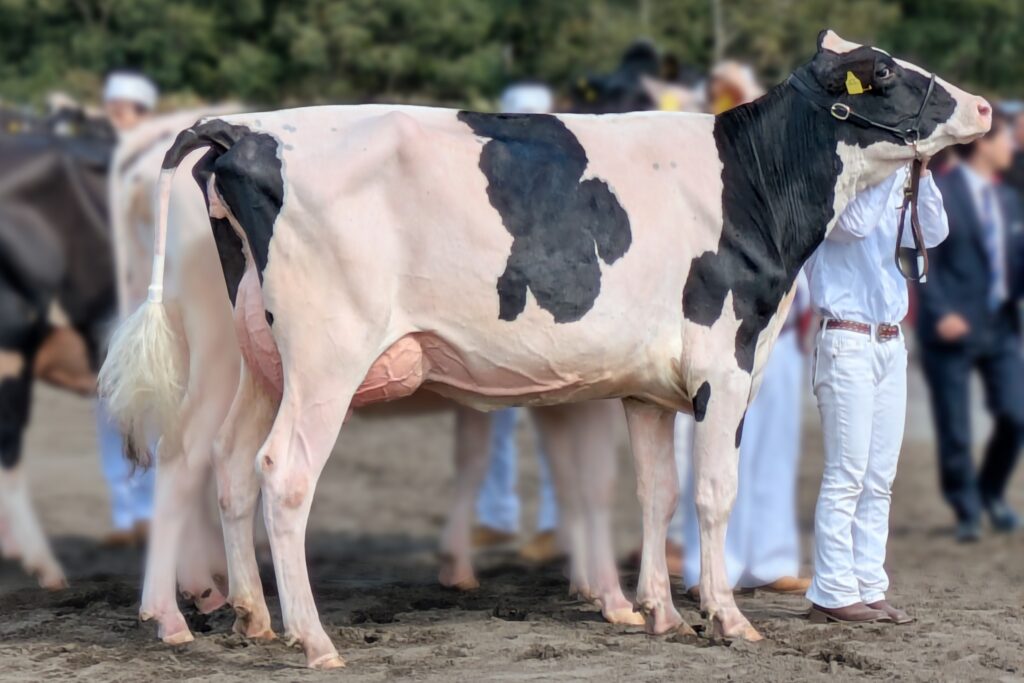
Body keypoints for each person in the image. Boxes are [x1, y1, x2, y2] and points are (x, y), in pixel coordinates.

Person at [805, 161, 949, 624]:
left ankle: (869, 582)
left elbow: (936, 231)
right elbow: (853, 227)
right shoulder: (838, 179)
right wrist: (888, 170)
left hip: (889, 339)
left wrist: (921, 175)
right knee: (847, 471)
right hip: (845, 337)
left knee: (880, 476)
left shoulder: (897, 185)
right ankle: (832, 588)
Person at [916, 112, 1024, 542]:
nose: (1012, 149)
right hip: (951, 328)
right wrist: (941, 311)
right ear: (984, 143)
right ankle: (966, 507)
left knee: (1017, 414)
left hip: (999, 326)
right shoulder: (940, 190)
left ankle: (991, 492)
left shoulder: (1011, 200)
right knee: (955, 427)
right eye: (1006, 142)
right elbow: (924, 259)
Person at [677, 274, 811, 596]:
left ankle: (771, 560)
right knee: (720, 449)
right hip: (731, 330)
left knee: (777, 451)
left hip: (783, 331)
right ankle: (707, 566)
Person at [473, 83, 561, 563]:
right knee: (493, 418)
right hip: (503, 309)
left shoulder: (566, 173)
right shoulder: (491, 172)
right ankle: (496, 516)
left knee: (558, 421)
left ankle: (553, 521)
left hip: (549, 313)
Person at [97, 70, 159, 545]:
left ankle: (155, 509)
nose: (117, 114)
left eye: (126, 108)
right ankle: (124, 514)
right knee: (111, 410)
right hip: (105, 306)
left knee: (156, 406)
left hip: (149, 302)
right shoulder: (96, 168)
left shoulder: (160, 163)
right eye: (113, 106)